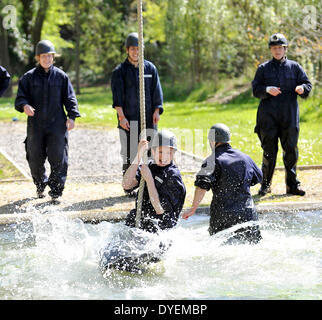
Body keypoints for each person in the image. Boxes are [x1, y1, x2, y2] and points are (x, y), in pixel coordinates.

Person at [15, 40, 80, 200]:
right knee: (35, 158)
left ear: (53, 57)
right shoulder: (28, 77)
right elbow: (20, 98)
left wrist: (72, 116)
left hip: (57, 125)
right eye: (44, 56)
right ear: (38, 57)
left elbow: (70, 98)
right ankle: (40, 185)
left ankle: (56, 192)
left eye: (50, 56)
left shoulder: (61, 77)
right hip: (35, 126)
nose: (47, 59)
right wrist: (25, 106)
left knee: (59, 157)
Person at [252, 33, 312, 197]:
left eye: (280, 47)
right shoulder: (263, 69)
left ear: (285, 49)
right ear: (271, 50)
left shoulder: (295, 67)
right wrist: (266, 90)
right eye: (274, 48)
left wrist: (302, 88)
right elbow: (255, 90)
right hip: (268, 117)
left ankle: (292, 186)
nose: (277, 50)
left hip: (289, 116)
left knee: (291, 150)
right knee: (269, 152)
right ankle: (265, 185)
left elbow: (307, 84)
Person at [182, 123, 263, 244]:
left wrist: (193, 209)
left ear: (212, 141)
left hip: (223, 215)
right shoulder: (245, 158)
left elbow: (201, 186)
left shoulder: (212, 160)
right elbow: (258, 177)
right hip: (248, 212)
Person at [111, 32, 164, 197]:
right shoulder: (119, 71)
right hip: (128, 120)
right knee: (130, 153)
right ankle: (129, 186)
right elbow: (117, 98)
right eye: (133, 49)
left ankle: (149, 184)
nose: (136, 52)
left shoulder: (150, 68)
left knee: (151, 152)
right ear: (127, 50)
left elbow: (157, 92)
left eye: (138, 48)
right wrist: (121, 117)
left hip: (148, 120)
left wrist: (157, 111)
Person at [123, 129, 186, 234]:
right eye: (160, 152)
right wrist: (138, 155)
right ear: (153, 151)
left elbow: (159, 209)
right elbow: (127, 185)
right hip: (141, 223)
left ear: (173, 154)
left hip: (160, 231)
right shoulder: (150, 167)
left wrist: (149, 180)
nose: (164, 157)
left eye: (169, 153)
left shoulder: (173, 176)